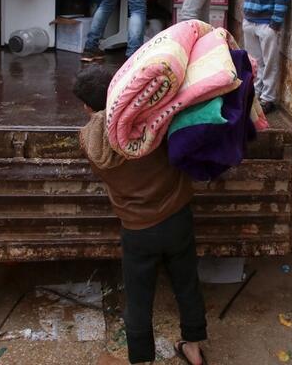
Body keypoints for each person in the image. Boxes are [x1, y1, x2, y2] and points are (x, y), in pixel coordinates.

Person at [73, 66, 208, 365]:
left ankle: (142, 359)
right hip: (177, 218)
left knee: (138, 297)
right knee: (187, 283)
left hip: (137, 229)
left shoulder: (90, 142)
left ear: (86, 106)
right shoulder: (153, 123)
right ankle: (194, 348)